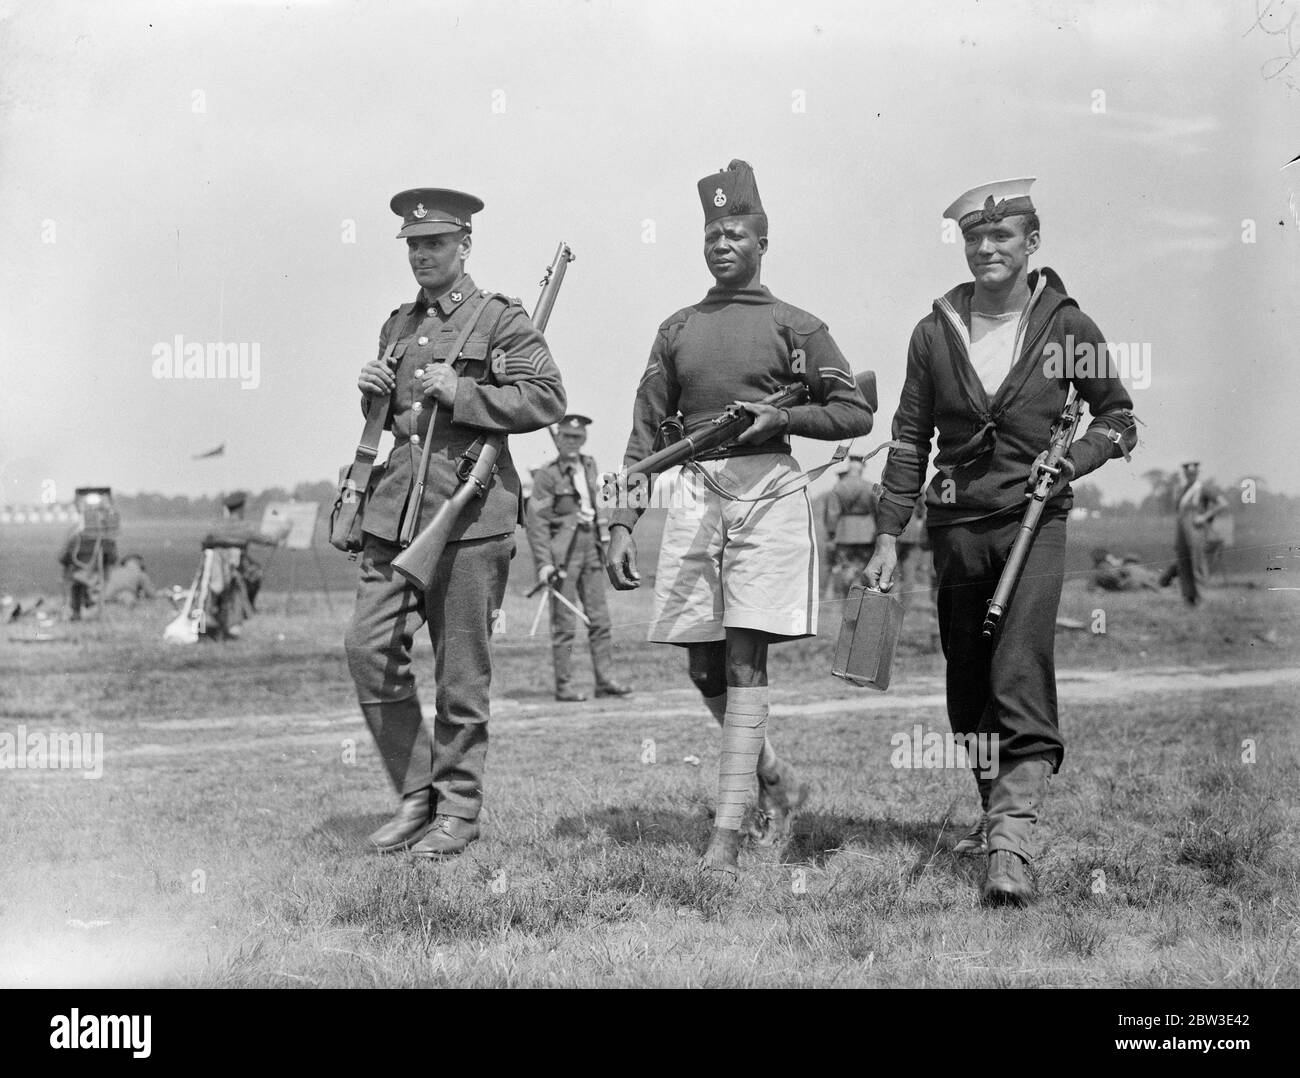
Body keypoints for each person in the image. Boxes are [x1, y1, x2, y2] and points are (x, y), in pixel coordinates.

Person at [864, 178, 1138, 905]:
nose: (987, 248)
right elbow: (908, 440)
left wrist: (1073, 460)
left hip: (1034, 523)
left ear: (1031, 244)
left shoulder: (1068, 327)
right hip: (953, 529)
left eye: (1002, 237)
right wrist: (888, 533)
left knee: (1018, 672)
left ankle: (1011, 843)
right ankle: (998, 817)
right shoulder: (935, 332)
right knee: (968, 686)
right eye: (975, 239)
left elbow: (1118, 419)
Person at [606, 160, 875, 878]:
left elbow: (856, 410)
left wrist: (780, 416)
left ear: (762, 241)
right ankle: (779, 783)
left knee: (744, 656)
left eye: (735, 233)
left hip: (769, 496)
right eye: (712, 232)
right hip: (693, 496)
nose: (722, 243)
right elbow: (644, 437)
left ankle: (727, 835)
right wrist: (623, 522)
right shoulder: (677, 328)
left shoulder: (798, 325)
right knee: (702, 665)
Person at [344, 187, 566, 859]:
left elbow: (549, 397)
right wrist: (370, 399)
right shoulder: (398, 324)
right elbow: (394, 427)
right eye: (413, 245)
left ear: (464, 244)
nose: (422, 256)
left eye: (434, 243)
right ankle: (418, 796)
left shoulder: (498, 319)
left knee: (461, 674)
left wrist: (462, 392)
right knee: (365, 646)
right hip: (395, 510)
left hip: (468, 514)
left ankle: (459, 811)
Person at [526, 414, 633, 702]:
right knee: (564, 625)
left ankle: (605, 680)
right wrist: (544, 563)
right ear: (558, 438)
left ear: (583, 439)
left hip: (592, 549)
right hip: (564, 555)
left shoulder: (589, 465)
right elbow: (537, 524)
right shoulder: (547, 475)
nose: (572, 442)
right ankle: (565, 686)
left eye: (577, 437)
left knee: (600, 619)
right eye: (567, 437)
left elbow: (599, 502)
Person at [201, 491, 288, 640]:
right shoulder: (244, 528)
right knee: (256, 574)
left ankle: (212, 620)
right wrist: (285, 529)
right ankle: (246, 609)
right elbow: (269, 540)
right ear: (241, 508)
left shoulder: (215, 527)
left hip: (213, 573)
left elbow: (205, 543)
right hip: (235, 573)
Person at [1165, 461, 1228, 606]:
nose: (1190, 475)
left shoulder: (1203, 488)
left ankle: (1202, 598)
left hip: (1196, 526)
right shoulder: (1183, 489)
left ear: (1197, 473)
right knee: (1183, 560)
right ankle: (1189, 597)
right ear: (1185, 473)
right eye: (1188, 473)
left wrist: (1204, 517)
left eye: (1193, 473)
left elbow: (1222, 503)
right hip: (1182, 525)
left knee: (1197, 561)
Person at [824, 454, 878, 600]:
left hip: (844, 532)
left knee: (845, 567)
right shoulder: (869, 486)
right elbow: (877, 511)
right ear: (862, 469)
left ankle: (845, 599)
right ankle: (860, 599)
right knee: (863, 567)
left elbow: (832, 513)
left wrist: (831, 534)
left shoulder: (838, 487)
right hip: (866, 532)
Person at [1089, 548, 1160, 592]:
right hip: (1129, 584)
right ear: (1107, 557)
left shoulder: (1097, 569)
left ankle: (1151, 583)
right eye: (1110, 556)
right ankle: (1151, 583)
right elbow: (1118, 575)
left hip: (1127, 584)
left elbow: (1091, 586)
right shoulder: (1107, 567)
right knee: (1133, 569)